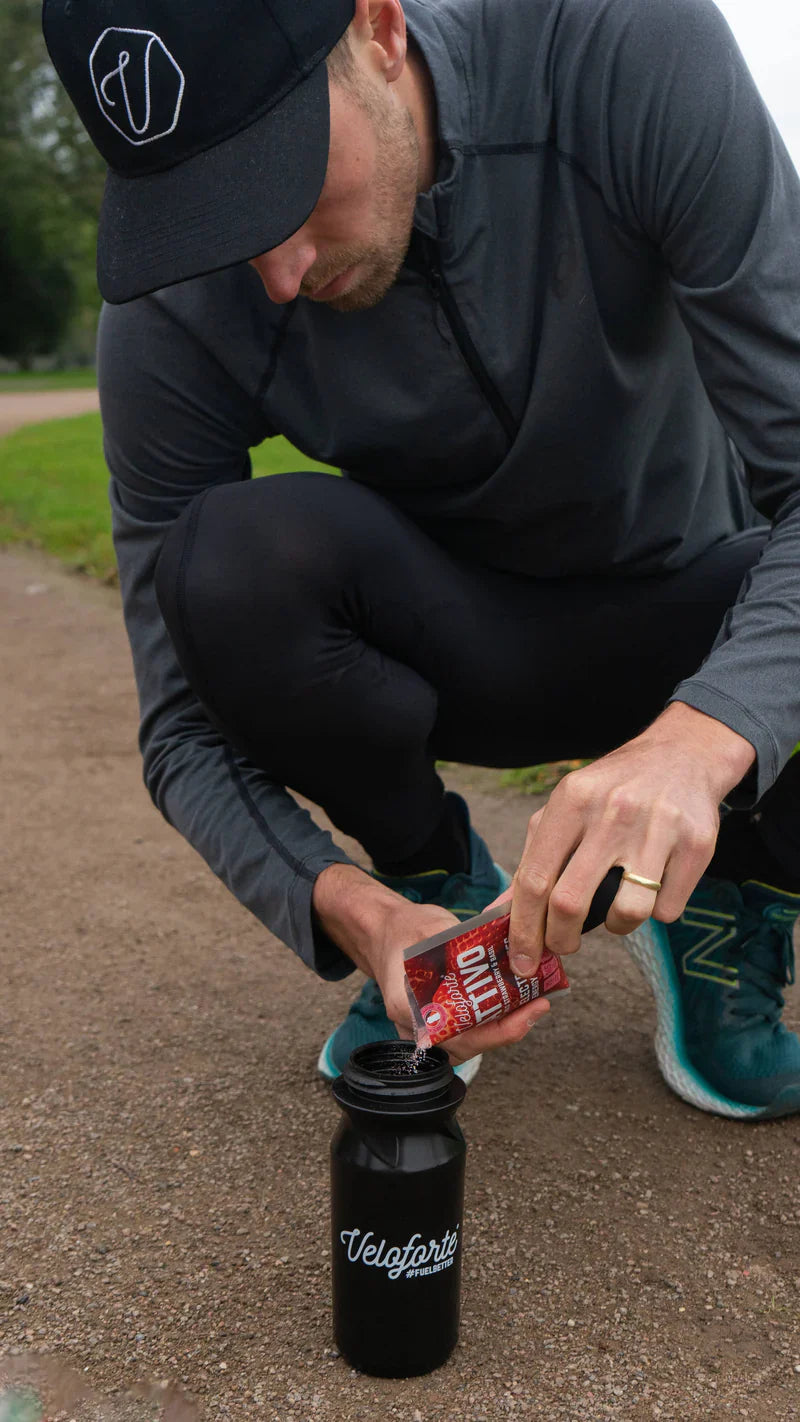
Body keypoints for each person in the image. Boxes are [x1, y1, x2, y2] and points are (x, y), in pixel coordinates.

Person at [43, 0, 800, 1118]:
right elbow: (181, 723)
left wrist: (705, 737)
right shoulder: (174, 305)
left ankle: (729, 897)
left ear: (379, 30)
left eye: (281, 183)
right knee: (228, 559)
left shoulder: (621, 48)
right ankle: (430, 879)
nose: (278, 271)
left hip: (692, 606)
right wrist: (354, 910)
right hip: (457, 650)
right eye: (208, 217)